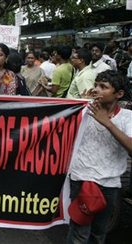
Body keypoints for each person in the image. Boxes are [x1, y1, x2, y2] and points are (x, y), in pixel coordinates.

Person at [67, 70, 132, 243]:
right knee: (78, 234)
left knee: (98, 234)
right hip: (81, 179)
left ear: (119, 94)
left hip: (109, 184)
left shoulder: (127, 118)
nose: (96, 89)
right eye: (95, 85)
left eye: (103, 87)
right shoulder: (82, 110)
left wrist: (107, 123)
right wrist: (78, 104)